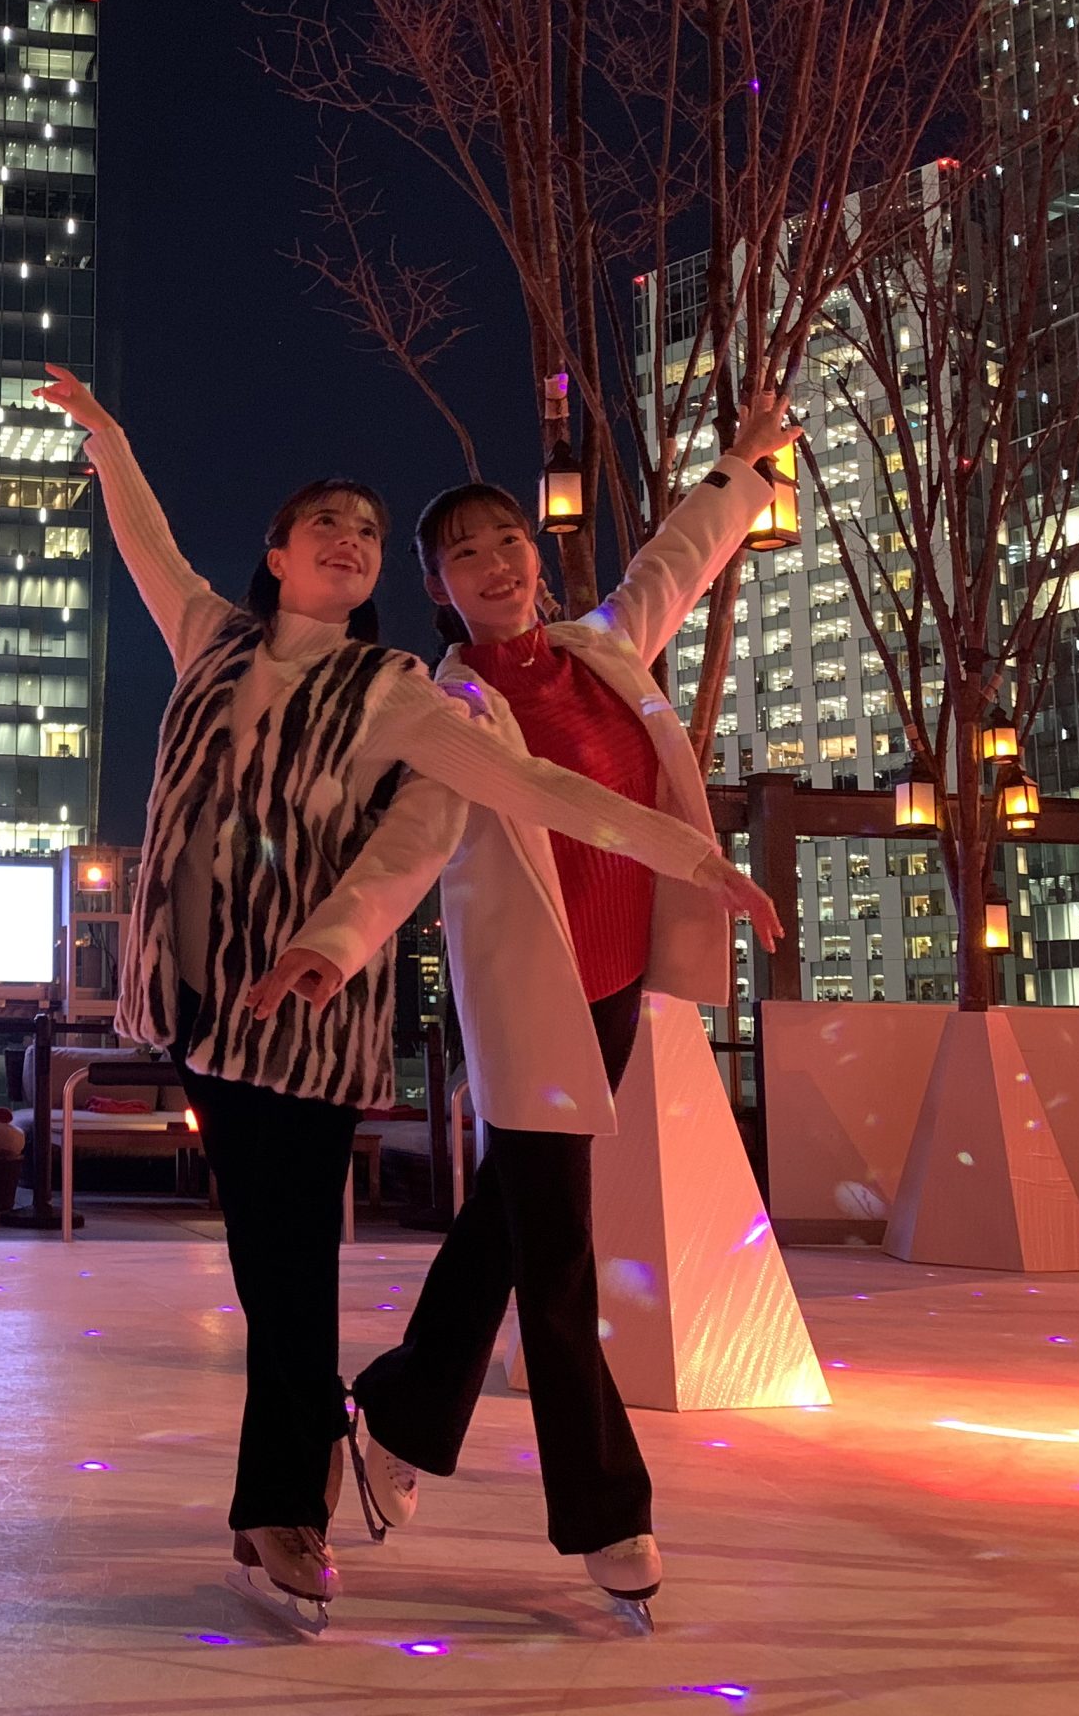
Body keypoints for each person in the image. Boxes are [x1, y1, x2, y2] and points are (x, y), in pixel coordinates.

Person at [33, 364, 779, 1637]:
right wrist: (108, 432)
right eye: (332, 525)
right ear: (279, 555)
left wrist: (746, 469)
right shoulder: (300, 661)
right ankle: (436, 1476)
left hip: (460, 1007)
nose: (350, 541)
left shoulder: (504, 673)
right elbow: (405, 847)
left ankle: (351, 1460)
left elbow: (655, 597)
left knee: (445, 1246)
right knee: (392, 1260)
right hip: (339, 1003)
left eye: (371, 533)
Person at [342, 391, 798, 1635]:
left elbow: (673, 564)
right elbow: (400, 852)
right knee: (555, 1251)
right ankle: (605, 1512)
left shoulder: (604, 650)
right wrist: (334, 944)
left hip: (611, 988)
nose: (496, 566)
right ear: (440, 589)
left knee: (506, 1222)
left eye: (507, 543)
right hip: (527, 1000)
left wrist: (739, 468)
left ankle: (393, 1419)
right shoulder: (446, 714)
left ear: (532, 556)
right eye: (466, 557)